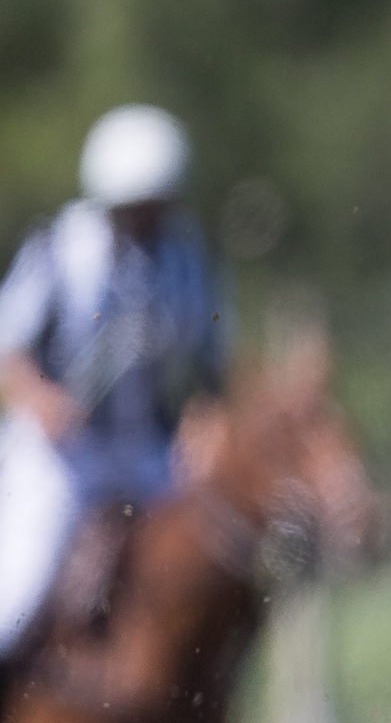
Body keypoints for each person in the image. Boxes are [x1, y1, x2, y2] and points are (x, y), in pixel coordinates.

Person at [0, 107, 231, 668]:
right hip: (62, 461)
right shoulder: (57, 251)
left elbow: (212, 372)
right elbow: (7, 353)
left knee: (216, 579)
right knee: (15, 598)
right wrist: (41, 400)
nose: (148, 219)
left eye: (158, 206)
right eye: (136, 208)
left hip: (152, 459)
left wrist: (205, 428)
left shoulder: (188, 260)